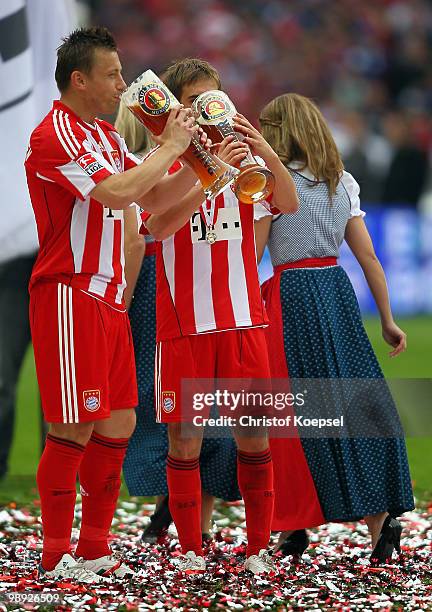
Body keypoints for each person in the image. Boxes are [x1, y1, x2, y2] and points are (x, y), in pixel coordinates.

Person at [24, 26, 206, 583]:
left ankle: (93, 549)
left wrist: (207, 166)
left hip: (108, 297)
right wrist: (172, 147)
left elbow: (151, 194)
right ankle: (56, 557)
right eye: (113, 74)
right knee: (73, 428)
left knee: (120, 424)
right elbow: (118, 193)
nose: (124, 84)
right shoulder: (53, 134)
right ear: (80, 80)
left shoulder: (103, 134)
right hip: (70, 292)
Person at [140, 58, 298, 574]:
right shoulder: (160, 160)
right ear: (178, 107)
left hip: (241, 321)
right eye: (197, 101)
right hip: (184, 324)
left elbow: (288, 203)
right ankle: (190, 549)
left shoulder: (244, 161)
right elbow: (156, 229)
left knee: (253, 435)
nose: (210, 111)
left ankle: (257, 550)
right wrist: (209, 178)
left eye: (216, 98)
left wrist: (262, 148)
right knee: (185, 440)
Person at [254, 93, 415, 564]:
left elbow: (252, 258)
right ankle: (380, 524)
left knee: (292, 412)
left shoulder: (270, 186)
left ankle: (293, 526)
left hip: (290, 298)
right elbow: (368, 259)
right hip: (335, 295)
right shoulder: (341, 182)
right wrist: (386, 319)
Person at [115, 99, 241, 543]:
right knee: (186, 407)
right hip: (176, 284)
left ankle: (174, 508)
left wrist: (122, 299)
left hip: (157, 283)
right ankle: (187, 513)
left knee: (165, 406)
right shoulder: (149, 165)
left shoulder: (141, 167)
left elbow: (137, 236)